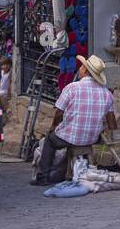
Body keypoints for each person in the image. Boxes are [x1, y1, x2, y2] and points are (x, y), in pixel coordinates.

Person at [31, 54, 115, 187]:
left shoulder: (72, 88)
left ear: (86, 71)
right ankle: (64, 172)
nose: (79, 69)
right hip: (91, 138)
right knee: (63, 138)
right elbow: (112, 122)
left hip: (70, 136)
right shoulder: (107, 94)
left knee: (50, 141)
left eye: (81, 67)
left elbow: (59, 112)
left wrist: (53, 127)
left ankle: (42, 177)